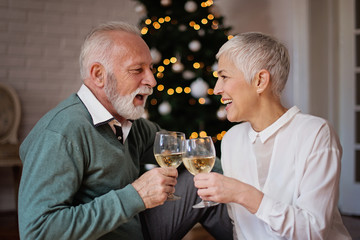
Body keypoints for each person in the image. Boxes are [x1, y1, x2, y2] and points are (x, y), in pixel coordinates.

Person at [18, 21, 232, 240]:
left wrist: (243, 185)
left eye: (150, 69)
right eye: (137, 70)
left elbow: (188, 152)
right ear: (99, 75)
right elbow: (38, 232)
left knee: (209, 181)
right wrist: (136, 196)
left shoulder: (129, 123)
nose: (152, 80)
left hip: (136, 228)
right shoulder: (60, 133)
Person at [193, 32, 352, 239]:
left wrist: (243, 194)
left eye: (224, 77)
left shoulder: (316, 134)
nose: (216, 89)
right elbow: (240, 229)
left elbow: (313, 231)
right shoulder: (232, 139)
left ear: (260, 80)